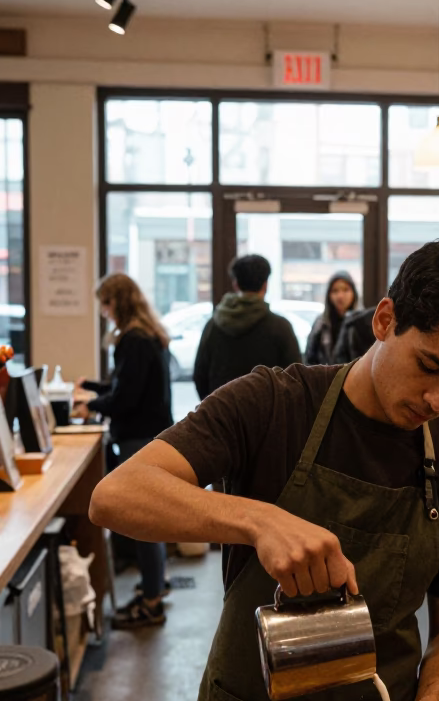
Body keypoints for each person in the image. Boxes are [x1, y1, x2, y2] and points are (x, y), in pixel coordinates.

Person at [89, 241, 439, 701]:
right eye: (429, 366)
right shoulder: (273, 403)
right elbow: (116, 495)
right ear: (385, 320)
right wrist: (259, 521)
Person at [74, 273, 173, 630]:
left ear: (117, 302)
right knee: (153, 518)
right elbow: (126, 385)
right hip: (153, 433)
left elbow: (125, 398)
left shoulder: (133, 339)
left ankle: (151, 603)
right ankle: (155, 585)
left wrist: (90, 406)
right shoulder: (149, 335)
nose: (104, 311)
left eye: (105, 303)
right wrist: (92, 388)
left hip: (138, 438)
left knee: (144, 521)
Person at [193, 254, 302, 399]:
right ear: (265, 285)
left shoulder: (214, 325)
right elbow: (295, 378)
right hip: (267, 411)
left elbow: (200, 375)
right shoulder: (281, 327)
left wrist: (214, 407)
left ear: (235, 284)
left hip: (223, 410)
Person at [304, 272, 358, 365]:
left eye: (346, 290)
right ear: (328, 295)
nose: (340, 296)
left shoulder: (360, 322)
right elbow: (310, 358)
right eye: (335, 291)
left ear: (354, 293)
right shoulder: (321, 324)